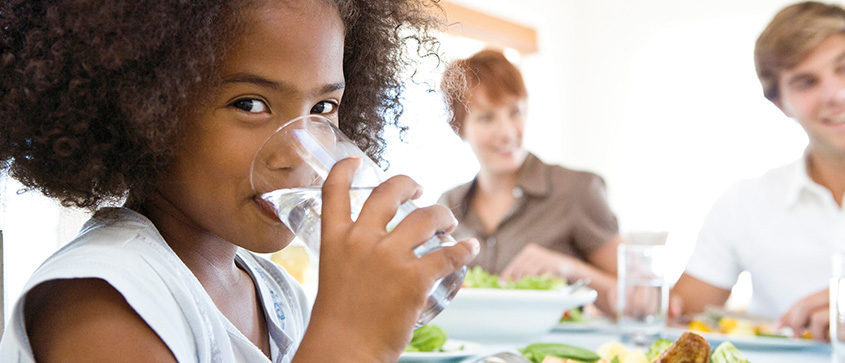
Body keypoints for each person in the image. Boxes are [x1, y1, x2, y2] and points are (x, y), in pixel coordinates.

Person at [0, 0, 478, 361]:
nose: (298, 153)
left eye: (322, 109)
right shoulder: (99, 300)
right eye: (250, 104)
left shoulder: (274, 292)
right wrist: (354, 334)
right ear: (144, 108)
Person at [671, 1, 845, 341]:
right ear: (781, 105)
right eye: (806, 82)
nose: (835, 94)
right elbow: (679, 320)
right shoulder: (744, 203)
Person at [437, 49, 622, 315]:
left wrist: (568, 269)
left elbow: (641, 298)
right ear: (459, 127)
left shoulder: (576, 190)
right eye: (487, 117)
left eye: (515, 112)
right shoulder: (448, 206)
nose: (508, 132)